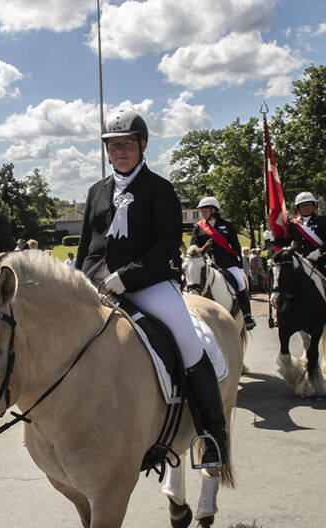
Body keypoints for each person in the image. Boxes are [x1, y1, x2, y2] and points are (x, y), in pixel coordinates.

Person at [75, 108, 227, 468]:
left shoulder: (160, 189)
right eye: (113, 146)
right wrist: (80, 279)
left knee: (189, 342)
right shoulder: (97, 191)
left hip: (148, 283)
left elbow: (165, 245)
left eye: (127, 145)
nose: (119, 152)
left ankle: (213, 435)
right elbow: (86, 244)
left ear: (143, 145)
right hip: (98, 283)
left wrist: (127, 275)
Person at [276, 192, 326, 329]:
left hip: (323, 260)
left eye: (309, 205)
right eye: (303, 206)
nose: (306, 208)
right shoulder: (293, 225)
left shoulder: (324, 221)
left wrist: (319, 252)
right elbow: (287, 241)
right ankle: (283, 313)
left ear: (314, 206)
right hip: (303, 262)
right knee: (283, 280)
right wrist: (273, 239)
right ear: (298, 208)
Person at [191, 196, 256, 330]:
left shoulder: (227, 225)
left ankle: (247, 315)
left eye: (205, 209)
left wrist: (238, 264)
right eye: (201, 209)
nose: (202, 212)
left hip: (227, 262)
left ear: (213, 210)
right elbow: (194, 244)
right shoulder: (198, 227)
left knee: (240, 282)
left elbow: (236, 245)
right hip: (207, 262)